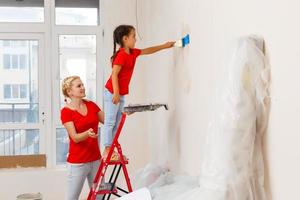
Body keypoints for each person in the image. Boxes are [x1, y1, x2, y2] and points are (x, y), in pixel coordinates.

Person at [103, 24, 175, 161]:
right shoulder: (121, 55)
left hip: (121, 93)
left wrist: (165, 46)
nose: (135, 39)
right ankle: (107, 150)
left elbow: (148, 50)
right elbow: (114, 74)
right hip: (112, 92)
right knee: (110, 122)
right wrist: (116, 93)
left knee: (117, 123)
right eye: (133, 37)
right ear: (125, 39)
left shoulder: (132, 53)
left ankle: (111, 150)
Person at [60, 75, 104, 200]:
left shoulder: (92, 105)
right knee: (72, 198)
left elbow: (108, 121)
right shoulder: (66, 112)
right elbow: (74, 137)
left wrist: (123, 112)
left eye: (83, 85)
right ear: (69, 92)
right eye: (79, 86)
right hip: (77, 163)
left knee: (99, 197)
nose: (83, 87)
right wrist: (87, 134)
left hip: (95, 160)